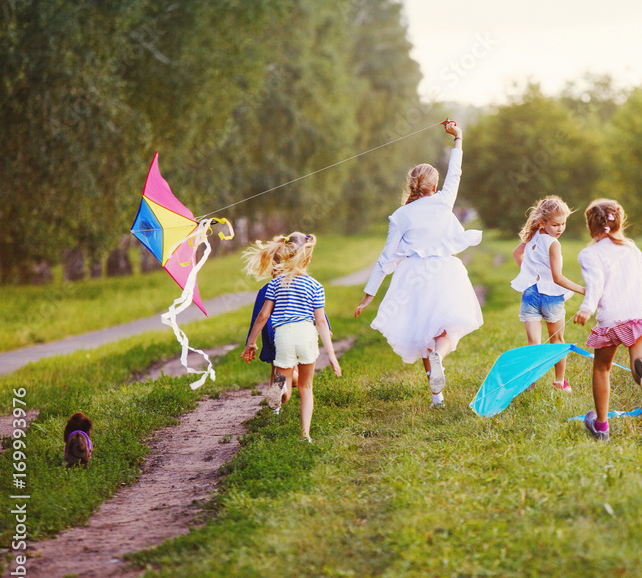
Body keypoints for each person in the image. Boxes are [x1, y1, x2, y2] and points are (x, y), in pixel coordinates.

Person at [354, 120, 483, 409]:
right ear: (434, 186)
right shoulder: (444, 201)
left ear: (411, 185)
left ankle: (437, 397)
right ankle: (440, 358)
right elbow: (456, 172)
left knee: (424, 332)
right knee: (445, 330)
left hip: (414, 275)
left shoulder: (400, 215)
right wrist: (458, 138)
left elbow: (386, 257)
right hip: (445, 270)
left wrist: (369, 295)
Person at [573, 199, 642, 442]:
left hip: (612, 320)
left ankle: (601, 427)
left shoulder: (589, 254)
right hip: (640, 316)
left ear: (590, 226)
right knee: (639, 363)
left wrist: (587, 308)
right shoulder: (630, 248)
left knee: (602, 368)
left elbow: (595, 283)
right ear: (619, 222)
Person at [241, 232, 342, 442]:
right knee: (306, 387)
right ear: (307, 257)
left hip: (283, 335)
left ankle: (281, 390)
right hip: (306, 334)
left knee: (283, 381)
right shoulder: (316, 285)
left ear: (284, 255)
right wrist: (331, 355)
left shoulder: (275, 285)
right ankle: (305, 435)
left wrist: (251, 342)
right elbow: (321, 322)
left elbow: (263, 316)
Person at [511, 195, 586, 392]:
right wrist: (583, 290)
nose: (560, 229)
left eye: (563, 224)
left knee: (534, 343)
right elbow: (557, 278)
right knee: (557, 341)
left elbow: (517, 253)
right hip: (550, 297)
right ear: (543, 222)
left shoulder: (533, 236)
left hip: (530, 294)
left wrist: (528, 274)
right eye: (555, 225)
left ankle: (530, 380)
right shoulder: (553, 244)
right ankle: (560, 383)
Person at [244, 280, 299, 406]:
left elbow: (257, 317)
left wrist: (250, 342)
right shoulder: (301, 284)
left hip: (272, 333)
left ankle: (275, 410)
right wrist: (326, 328)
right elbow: (315, 308)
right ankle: (283, 386)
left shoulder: (266, 288)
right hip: (293, 332)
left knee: (275, 370)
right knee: (294, 378)